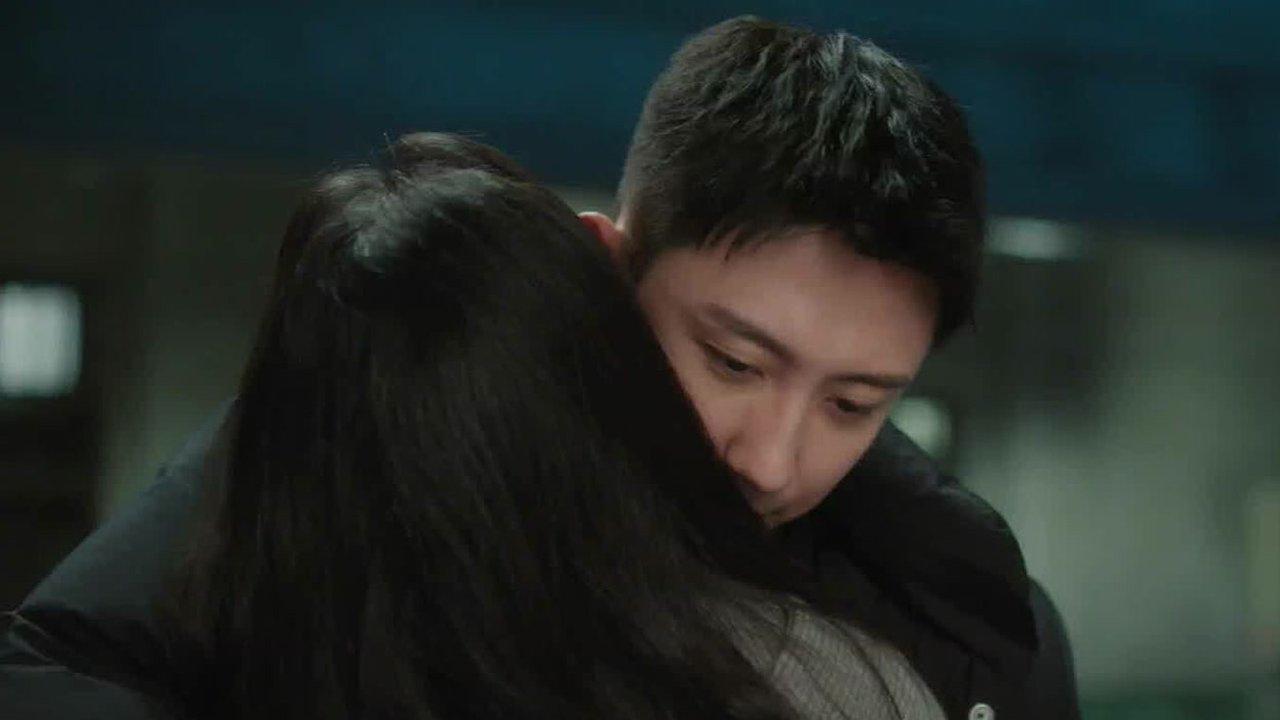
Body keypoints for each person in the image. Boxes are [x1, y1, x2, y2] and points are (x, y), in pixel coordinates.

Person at [2, 14, 1078, 719]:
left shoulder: (975, 620)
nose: (770, 459)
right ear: (604, 269)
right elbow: (51, 670)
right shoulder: (395, 439)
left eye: (853, 403)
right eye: (732, 362)